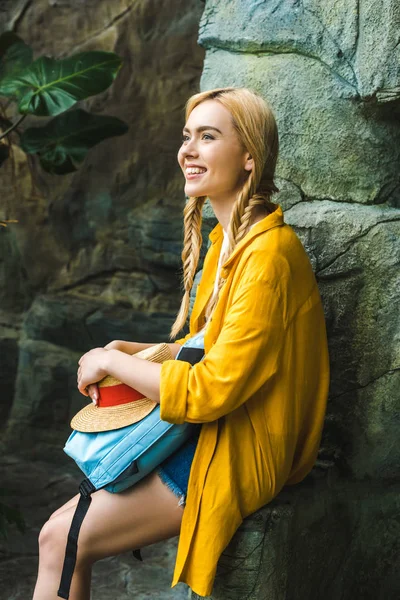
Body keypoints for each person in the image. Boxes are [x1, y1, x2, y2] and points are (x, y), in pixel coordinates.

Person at [33, 87, 330, 599]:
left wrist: (110, 361)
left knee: (60, 539)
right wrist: (134, 348)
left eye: (208, 137)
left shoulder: (269, 257)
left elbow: (212, 390)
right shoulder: (229, 239)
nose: (187, 151)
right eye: (186, 136)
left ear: (249, 158)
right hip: (212, 428)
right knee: (57, 538)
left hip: (236, 443)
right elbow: (209, 344)